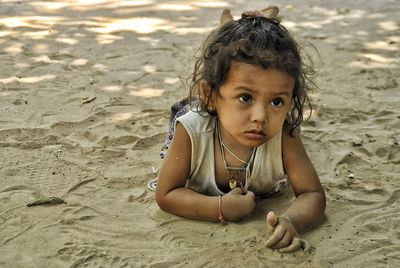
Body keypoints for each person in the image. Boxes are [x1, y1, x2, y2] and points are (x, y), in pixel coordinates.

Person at [155, 6, 326, 253]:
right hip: (201, 114)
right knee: (217, 68)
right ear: (211, 96)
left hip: (220, 106)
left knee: (232, 56)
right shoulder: (190, 132)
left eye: (277, 101)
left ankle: (238, 29)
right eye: (245, 97)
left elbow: (313, 194)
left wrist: (291, 221)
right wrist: (220, 207)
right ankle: (227, 28)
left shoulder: (283, 135)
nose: (261, 117)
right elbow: (166, 194)